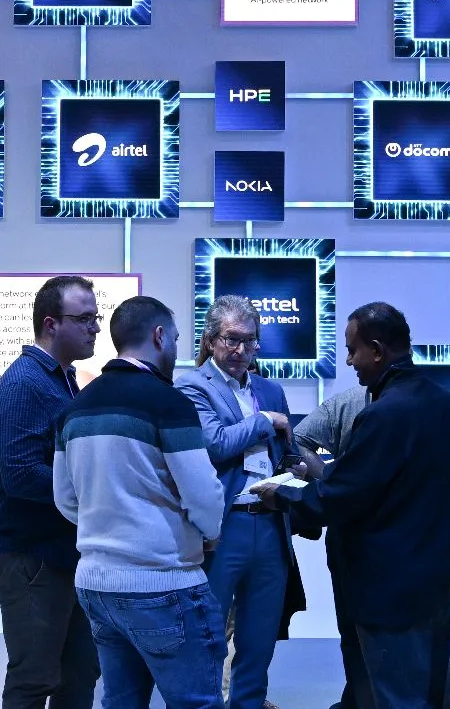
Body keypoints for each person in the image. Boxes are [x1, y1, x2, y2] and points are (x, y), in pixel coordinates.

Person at [254, 303, 450, 709]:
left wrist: (280, 496)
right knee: (432, 692)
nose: (349, 361)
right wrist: (437, 534)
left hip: (383, 589)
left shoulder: (383, 415)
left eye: (352, 350)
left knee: (391, 694)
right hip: (434, 581)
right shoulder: (446, 404)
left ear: (376, 350)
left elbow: (341, 497)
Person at [53, 295, 227, 709]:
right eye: (177, 339)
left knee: (120, 702)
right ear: (159, 336)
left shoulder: (74, 409)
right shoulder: (169, 402)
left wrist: (109, 525)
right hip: (164, 583)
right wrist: (206, 533)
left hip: (96, 585)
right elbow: (205, 498)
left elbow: (65, 498)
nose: (177, 350)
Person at [0, 275, 102, 709]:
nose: (95, 328)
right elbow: (21, 474)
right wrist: (94, 495)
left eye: (96, 317)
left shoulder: (61, 379)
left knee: (79, 675)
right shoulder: (25, 384)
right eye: (84, 318)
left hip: (58, 552)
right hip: (28, 554)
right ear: (51, 324)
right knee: (34, 679)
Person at [174, 295, 300, 709]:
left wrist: (297, 470)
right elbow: (214, 444)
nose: (242, 350)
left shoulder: (270, 390)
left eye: (250, 341)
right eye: (232, 339)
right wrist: (265, 420)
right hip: (223, 525)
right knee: (208, 634)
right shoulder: (193, 386)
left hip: (271, 522)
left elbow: (287, 453)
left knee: (259, 637)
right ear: (211, 340)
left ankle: (248, 703)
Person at [289, 386, 369, 709]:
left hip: (357, 534)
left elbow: (297, 439)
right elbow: (298, 440)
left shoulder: (351, 402)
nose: (349, 362)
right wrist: (332, 484)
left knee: (356, 629)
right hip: (355, 535)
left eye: (354, 357)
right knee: (353, 629)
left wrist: (333, 487)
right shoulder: (349, 402)